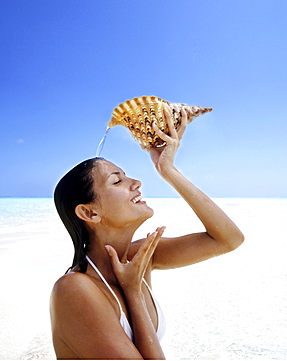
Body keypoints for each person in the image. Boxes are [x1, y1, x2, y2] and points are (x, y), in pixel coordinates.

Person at [50, 108, 244, 359]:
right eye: (117, 181)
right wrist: (132, 292)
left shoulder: (139, 257)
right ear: (89, 213)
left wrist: (168, 170)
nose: (136, 182)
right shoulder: (74, 289)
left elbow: (228, 239)